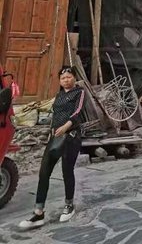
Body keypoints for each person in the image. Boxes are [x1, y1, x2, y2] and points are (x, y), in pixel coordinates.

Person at [19, 67, 85, 230]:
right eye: (63, 78)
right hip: (55, 137)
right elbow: (54, 115)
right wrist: (51, 131)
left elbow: (78, 112)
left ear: (74, 78)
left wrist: (65, 127)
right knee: (44, 172)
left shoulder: (79, 92)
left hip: (71, 136)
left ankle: (69, 205)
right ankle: (38, 212)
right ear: (59, 81)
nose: (66, 80)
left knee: (66, 171)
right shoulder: (59, 95)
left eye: (69, 77)